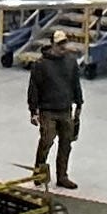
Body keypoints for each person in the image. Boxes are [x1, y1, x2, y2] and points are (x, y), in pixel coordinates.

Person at [27, 41, 85, 189]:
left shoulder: (70, 62)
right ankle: (39, 173)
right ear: (52, 45)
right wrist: (33, 111)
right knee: (46, 141)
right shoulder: (40, 65)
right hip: (47, 110)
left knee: (66, 143)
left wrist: (79, 104)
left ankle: (62, 176)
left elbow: (75, 84)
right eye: (59, 45)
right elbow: (34, 88)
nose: (62, 48)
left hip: (65, 109)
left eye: (64, 45)